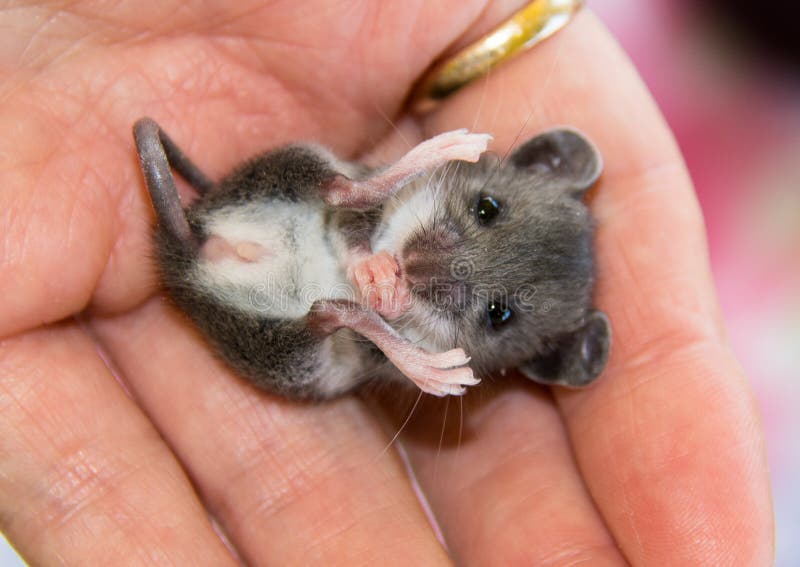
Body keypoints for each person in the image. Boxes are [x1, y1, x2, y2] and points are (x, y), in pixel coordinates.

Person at [0, 2, 773, 564]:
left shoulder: (419, 342)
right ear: (536, 161)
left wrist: (373, 323)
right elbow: (359, 195)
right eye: (487, 208)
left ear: (534, 361)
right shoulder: (396, 195)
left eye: (497, 313)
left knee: (320, 368)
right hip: (279, 230)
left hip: (292, 320)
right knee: (334, 180)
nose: (448, 265)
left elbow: (378, 349)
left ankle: (321, 308)